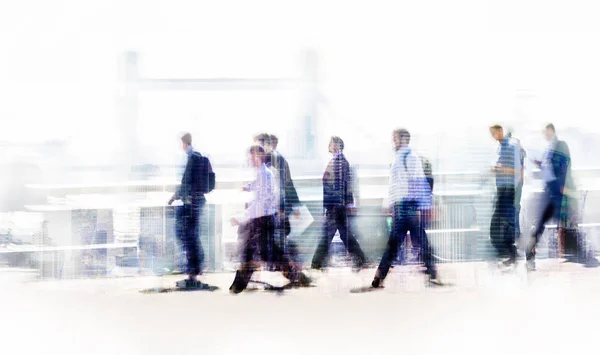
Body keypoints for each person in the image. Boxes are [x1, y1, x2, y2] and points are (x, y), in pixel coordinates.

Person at [229, 145, 311, 294]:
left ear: (259, 157)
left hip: (264, 220)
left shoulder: (265, 175)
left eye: (253, 156)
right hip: (264, 220)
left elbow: (261, 203)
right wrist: (248, 187)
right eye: (250, 156)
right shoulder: (264, 173)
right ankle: (297, 276)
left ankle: (237, 288)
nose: (251, 159)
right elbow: (259, 188)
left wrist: (240, 217)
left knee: (258, 253)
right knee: (265, 253)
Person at [371, 129, 437, 288]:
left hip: (408, 205)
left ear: (404, 139)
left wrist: (425, 206)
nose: (393, 141)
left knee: (410, 241)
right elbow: (394, 185)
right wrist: (390, 204)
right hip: (400, 207)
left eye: (395, 138)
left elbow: (418, 181)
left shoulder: (410, 157)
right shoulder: (397, 158)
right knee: (414, 241)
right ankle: (431, 274)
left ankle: (380, 276)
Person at [311, 136, 367, 271]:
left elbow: (344, 184)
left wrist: (345, 203)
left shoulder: (340, 162)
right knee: (344, 234)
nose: (328, 147)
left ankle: (316, 263)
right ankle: (360, 259)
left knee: (329, 234)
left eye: (330, 144)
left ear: (336, 145)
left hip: (336, 205)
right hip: (336, 204)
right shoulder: (337, 161)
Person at [167, 132, 213, 288]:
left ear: (183, 143)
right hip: (198, 201)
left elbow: (186, 181)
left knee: (187, 236)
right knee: (191, 236)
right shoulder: (200, 156)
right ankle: (195, 270)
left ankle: (193, 273)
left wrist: (174, 197)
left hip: (191, 203)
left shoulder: (191, 157)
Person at [526, 123, 572, 271]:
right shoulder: (549, 148)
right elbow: (548, 167)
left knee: (556, 221)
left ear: (551, 131)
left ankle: (532, 251)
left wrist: (561, 184)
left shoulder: (560, 145)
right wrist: (539, 164)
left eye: (546, 132)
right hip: (549, 190)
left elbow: (564, 165)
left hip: (556, 190)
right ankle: (531, 251)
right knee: (543, 221)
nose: (544, 135)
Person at [489, 124, 521, 267]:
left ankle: (510, 254)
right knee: (502, 224)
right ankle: (510, 254)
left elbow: (516, 171)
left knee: (501, 224)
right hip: (502, 190)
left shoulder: (511, 147)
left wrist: (499, 169)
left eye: (493, 133)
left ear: (500, 131)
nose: (492, 136)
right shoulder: (501, 147)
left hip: (508, 190)